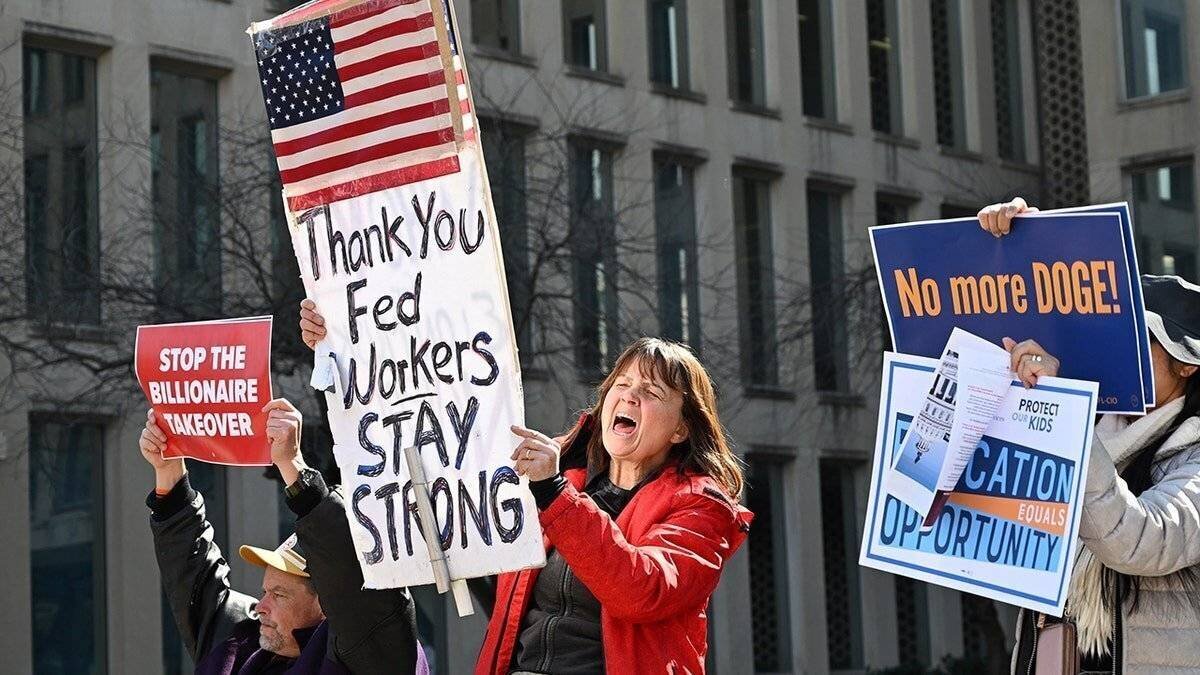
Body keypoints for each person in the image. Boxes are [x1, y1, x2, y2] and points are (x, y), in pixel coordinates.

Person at [299, 300, 754, 674]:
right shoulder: (561, 479)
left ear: (681, 430)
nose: (630, 396)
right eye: (623, 383)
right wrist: (342, 347)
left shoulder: (702, 508)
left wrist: (555, 494)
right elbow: (437, 441)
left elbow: (642, 590)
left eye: (652, 393)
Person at [978, 199, 1200, 674]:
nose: (1119, 350)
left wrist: (1063, 415)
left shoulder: (1192, 455)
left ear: (1187, 364)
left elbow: (1141, 540)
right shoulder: (1089, 430)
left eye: (1141, 339)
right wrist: (1026, 246)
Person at [142, 397, 427, 674]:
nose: (261, 608)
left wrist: (293, 466)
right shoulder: (242, 648)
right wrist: (169, 475)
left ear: (327, 604)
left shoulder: (371, 653)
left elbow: (352, 579)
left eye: (279, 595)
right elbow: (196, 583)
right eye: (265, 592)